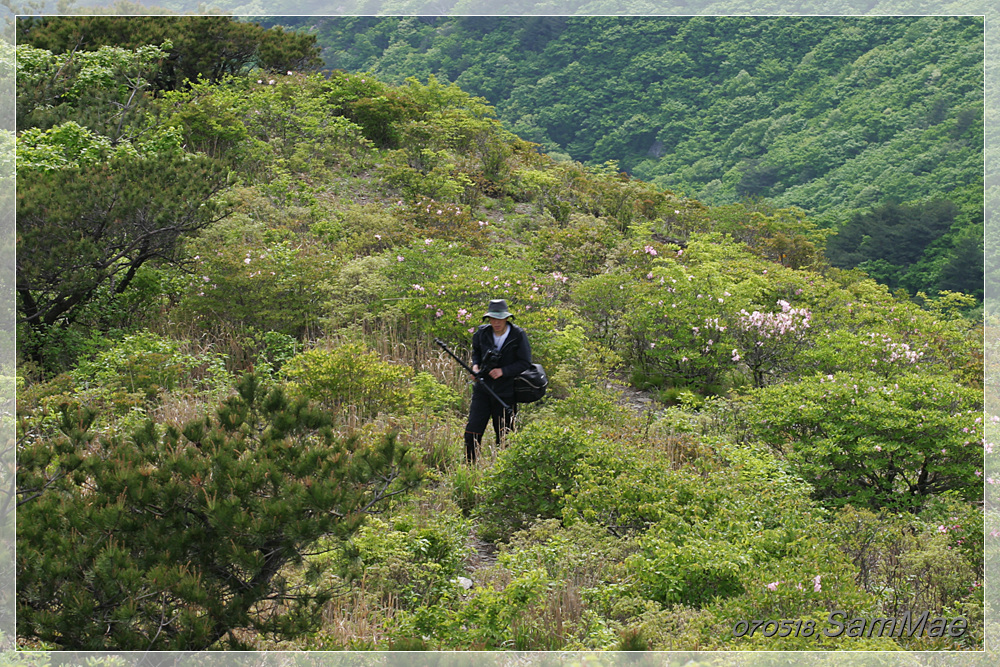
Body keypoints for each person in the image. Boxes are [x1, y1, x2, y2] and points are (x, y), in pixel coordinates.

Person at [464, 298, 532, 463]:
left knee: (504, 433)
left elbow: (525, 362)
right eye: (493, 319)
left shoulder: (517, 335)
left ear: (506, 318)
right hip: (483, 388)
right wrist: (475, 368)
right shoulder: (482, 333)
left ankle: (504, 469)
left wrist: (503, 371)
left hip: (506, 391)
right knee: (472, 430)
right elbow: (476, 354)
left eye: (499, 319)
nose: (496, 322)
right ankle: (469, 466)